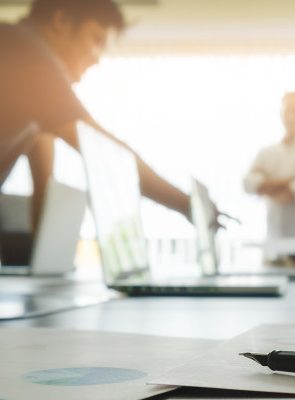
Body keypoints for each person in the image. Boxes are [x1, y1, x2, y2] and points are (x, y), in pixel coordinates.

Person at [0, 0, 214, 242]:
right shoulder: (23, 49)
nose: (96, 58)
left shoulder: (28, 84)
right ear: (61, 21)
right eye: (96, 39)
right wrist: (188, 205)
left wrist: (43, 263)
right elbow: (103, 150)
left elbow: (44, 182)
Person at [243, 91, 295, 261]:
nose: (291, 116)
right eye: (287, 110)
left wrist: (265, 184)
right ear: (281, 113)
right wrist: (288, 181)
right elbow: (248, 184)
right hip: (273, 248)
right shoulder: (267, 153)